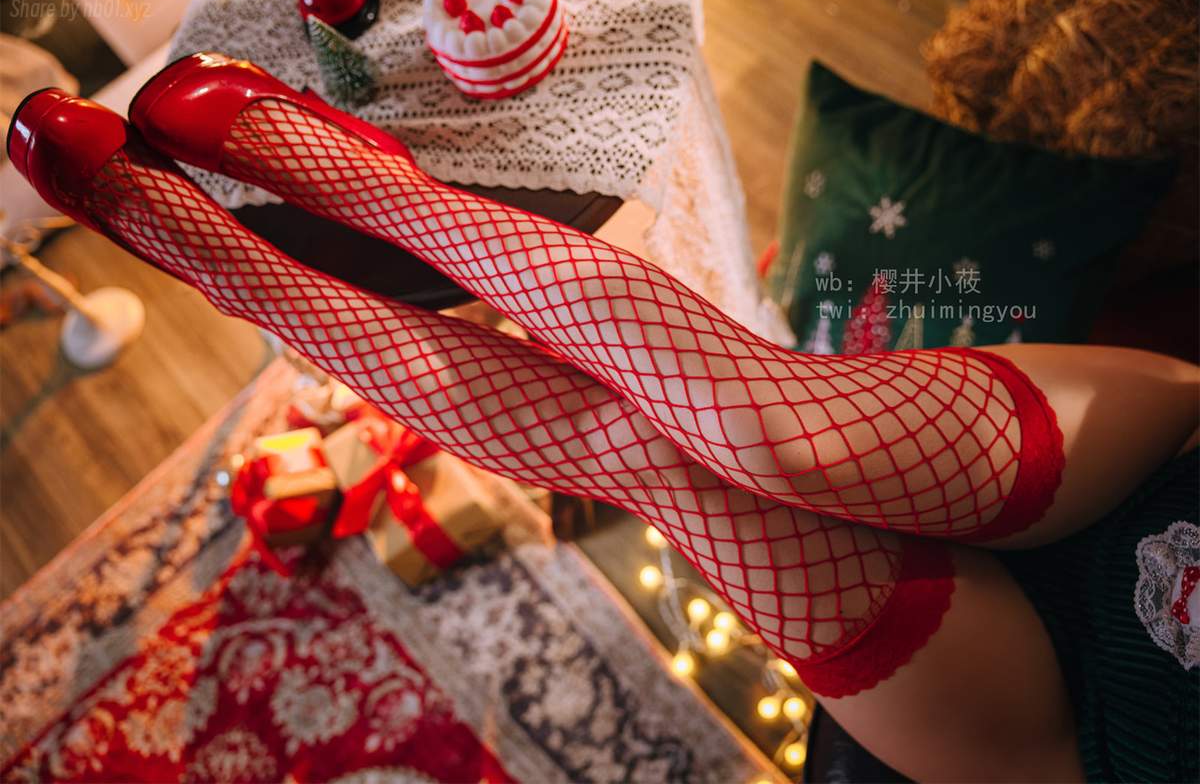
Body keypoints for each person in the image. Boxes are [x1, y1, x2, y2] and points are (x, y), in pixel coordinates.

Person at [10, 59, 1198, 782]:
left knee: (638, 452)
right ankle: (380, 187)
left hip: (1077, 742)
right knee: (767, 425)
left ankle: (210, 256)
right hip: (1165, 469)